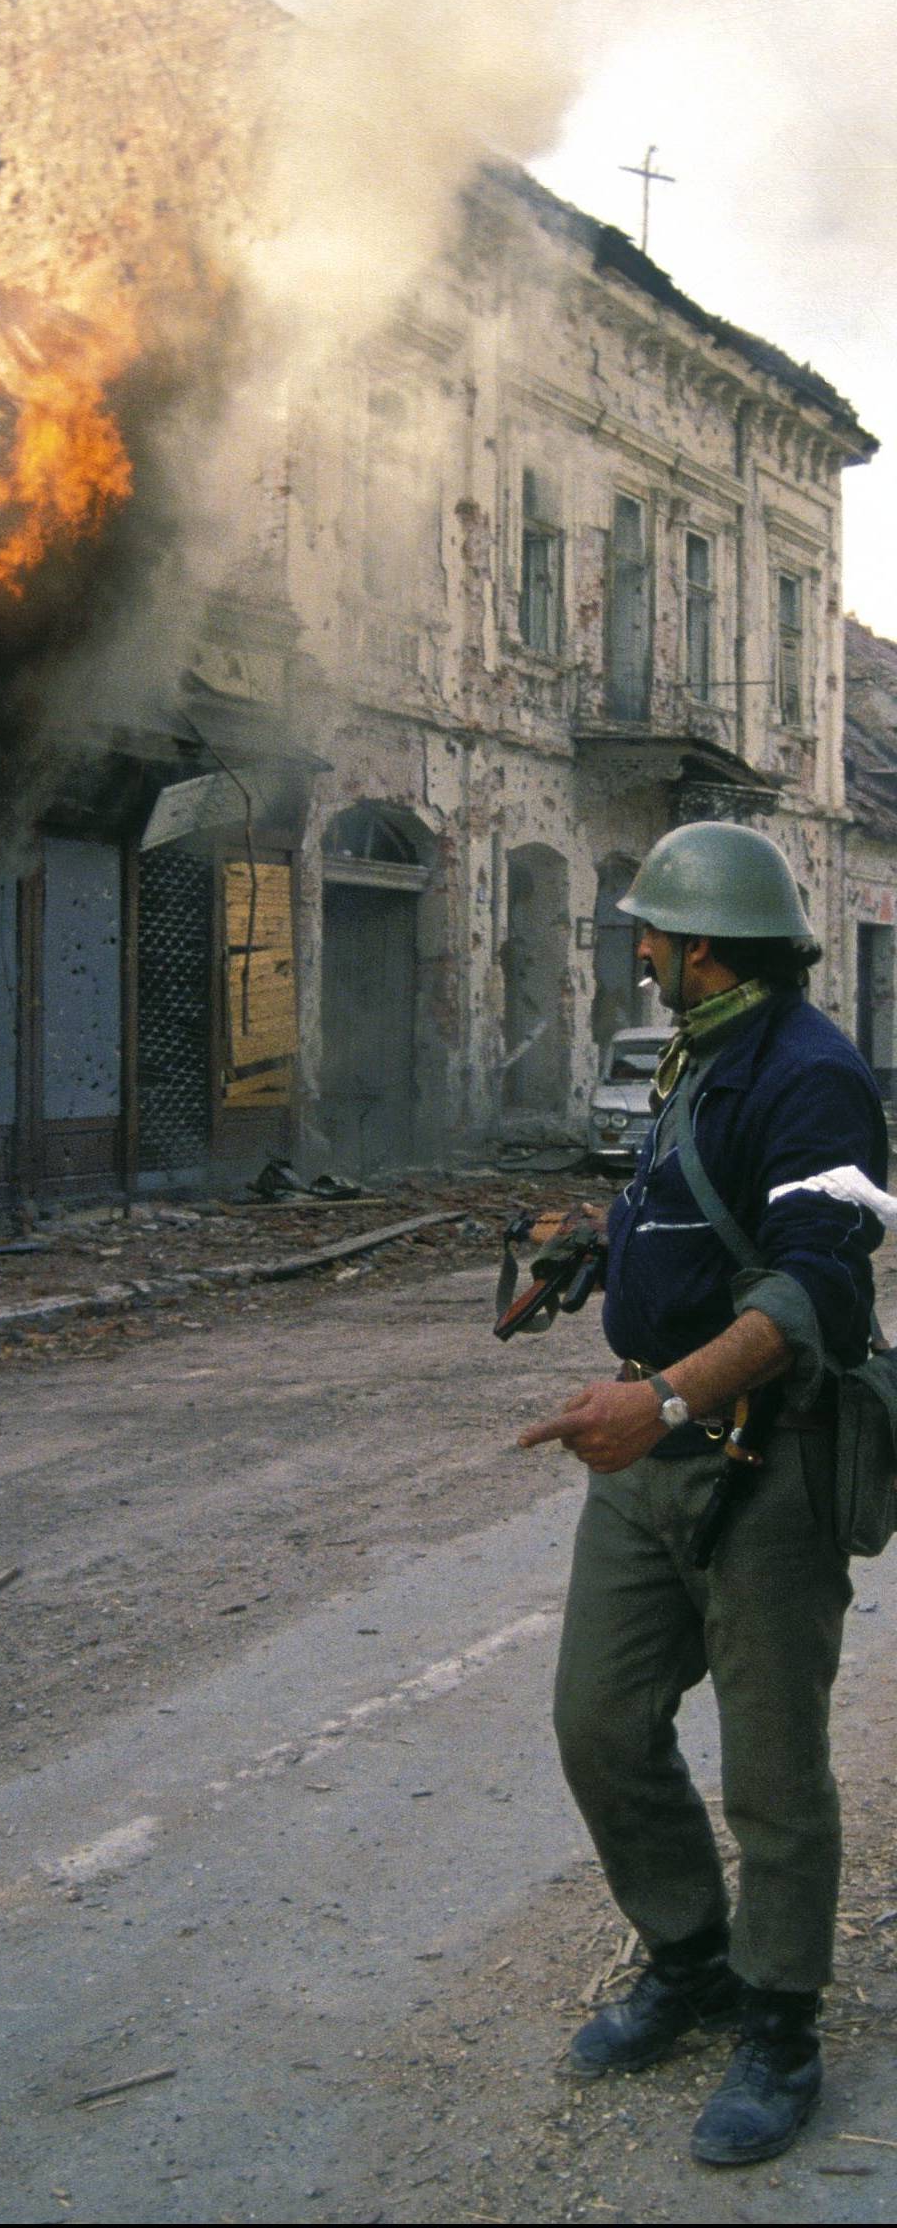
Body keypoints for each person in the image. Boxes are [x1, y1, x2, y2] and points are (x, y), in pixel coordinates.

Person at [517, 820, 886, 2167]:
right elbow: (672, 1205)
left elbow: (815, 1284)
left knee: (774, 1772)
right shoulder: (701, 1056)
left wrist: (666, 1396)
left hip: (763, 1460)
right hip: (651, 1458)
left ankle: (779, 2029)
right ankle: (692, 1960)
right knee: (599, 1722)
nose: (642, 950)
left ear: (705, 942)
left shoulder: (817, 1078)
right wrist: (584, 1253)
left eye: (653, 933)